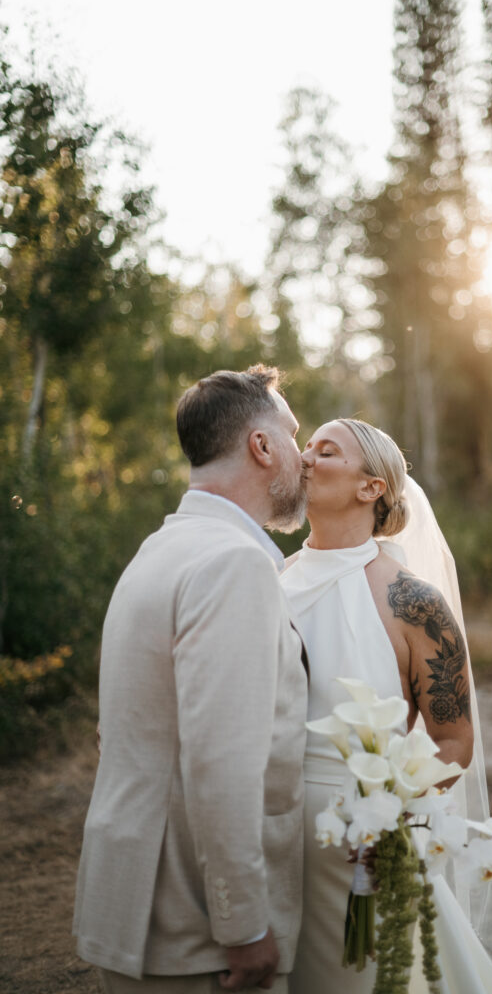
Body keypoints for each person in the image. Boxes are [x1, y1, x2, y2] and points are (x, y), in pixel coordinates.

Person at [73, 365, 309, 994]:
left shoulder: (160, 550)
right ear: (260, 447)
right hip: (197, 930)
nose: (304, 457)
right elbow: (222, 761)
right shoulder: (234, 564)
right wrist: (242, 923)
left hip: (138, 900)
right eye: (292, 434)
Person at [281, 418, 492, 994]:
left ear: (371, 487)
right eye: (305, 446)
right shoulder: (270, 580)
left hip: (363, 849)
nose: (304, 457)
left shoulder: (413, 602)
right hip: (272, 836)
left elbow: (453, 740)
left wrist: (387, 820)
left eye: (325, 450)